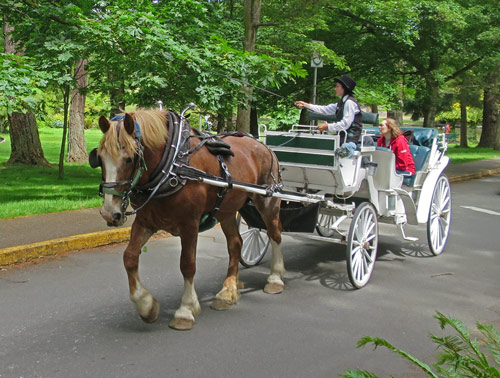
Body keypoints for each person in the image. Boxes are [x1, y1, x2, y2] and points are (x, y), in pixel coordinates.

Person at [295, 74, 362, 157]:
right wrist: (306, 105)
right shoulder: (341, 103)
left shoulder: (349, 103)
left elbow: (345, 123)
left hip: (349, 139)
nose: (335, 88)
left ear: (344, 88)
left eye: (337, 86)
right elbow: (325, 109)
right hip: (341, 137)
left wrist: (327, 127)